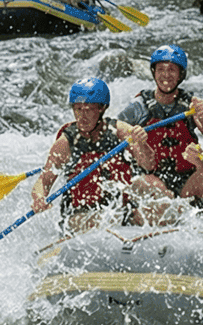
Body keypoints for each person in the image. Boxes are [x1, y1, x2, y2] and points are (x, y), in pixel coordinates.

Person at [117, 44, 203, 215]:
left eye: (172, 70)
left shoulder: (191, 104)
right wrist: (133, 137)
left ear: (181, 75)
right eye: (160, 69)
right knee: (163, 199)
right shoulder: (139, 105)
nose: (165, 75)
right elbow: (116, 129)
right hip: (152, 176)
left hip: (186, 178)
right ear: (154, 72)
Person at [32, 78, 138, 229]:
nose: (82, 115)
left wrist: (141, 143)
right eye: (78, 109)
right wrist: (39, 198)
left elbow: (148, 164)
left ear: (102, 108)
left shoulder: (120, 131)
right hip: (79, 214)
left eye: (88, 109)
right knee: (100, 220)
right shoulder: (65, 142)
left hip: (119, 209)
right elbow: (43, 181)